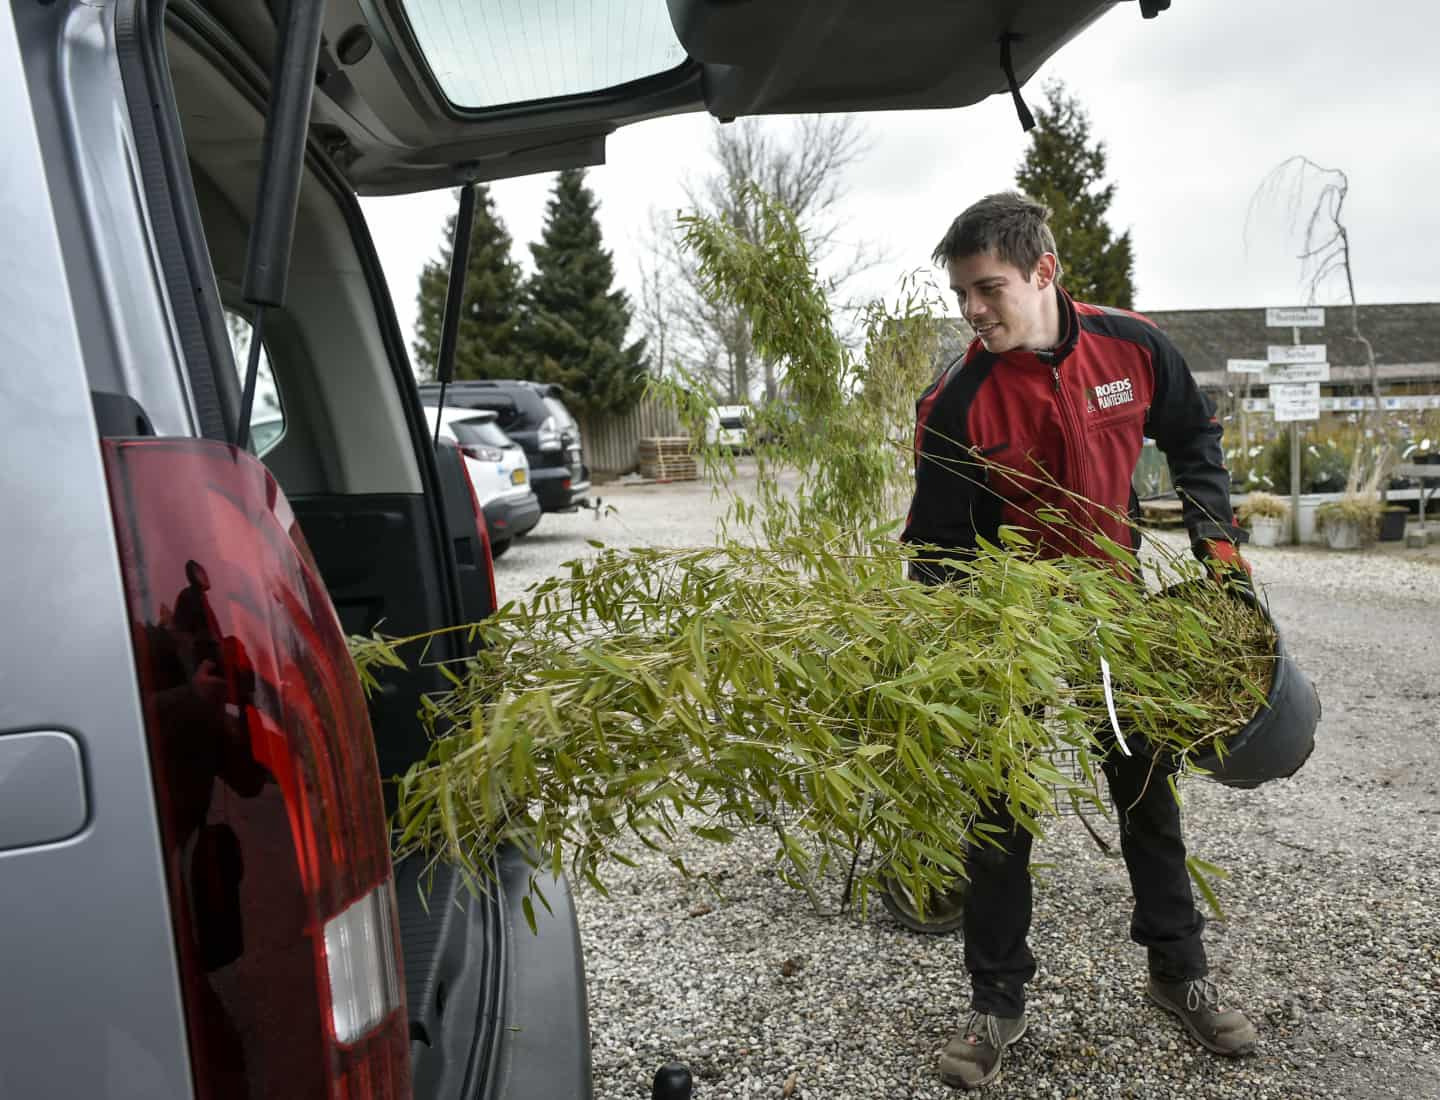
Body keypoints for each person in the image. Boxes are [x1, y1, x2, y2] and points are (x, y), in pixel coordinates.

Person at [901, 192, 1257, 1091]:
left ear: (1045, 272)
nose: (973, 312)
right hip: (1007, 625)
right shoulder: (958, 397)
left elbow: (1194, 439)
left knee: (1146, 787)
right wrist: (944, 656)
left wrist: (1220, 558)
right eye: (961, 296)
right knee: (999, 809)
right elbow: (938, 549)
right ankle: (996, 1001)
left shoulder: (1134, 348)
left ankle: (1181, 976)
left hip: (1115, 608)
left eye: (989, 290)